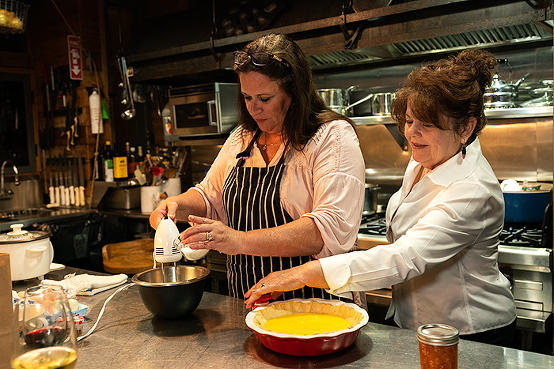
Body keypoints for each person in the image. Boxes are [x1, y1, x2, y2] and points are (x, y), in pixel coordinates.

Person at [245, 49, 517, 347]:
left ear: (465, 127)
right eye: (410, 120)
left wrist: (303, 274)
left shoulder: (472, 189)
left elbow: (405, 256)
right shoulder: (428, 157)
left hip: (468, 332)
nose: (411, 133)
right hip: (413, 321)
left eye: (426, 124)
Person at [149, 33, 366, 301]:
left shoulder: (331, 136)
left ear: (294, 92)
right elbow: (208, 195)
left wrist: (238, 240)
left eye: (265, 98)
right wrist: (177, 205)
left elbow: (326, 231)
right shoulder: (242, 137)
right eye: (247, 97)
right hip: (248, 302)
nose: (254, 109)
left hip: (318, 303)